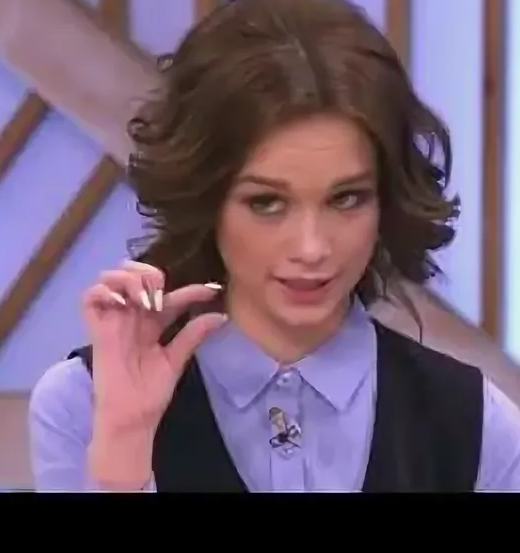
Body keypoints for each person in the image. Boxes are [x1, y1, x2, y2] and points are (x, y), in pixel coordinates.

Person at [28, 0, 520, 492]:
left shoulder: (477, 426)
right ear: (207, 200)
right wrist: (124, 447)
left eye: (346, 198)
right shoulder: (82, 402)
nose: (311, 248)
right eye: (266, 203)